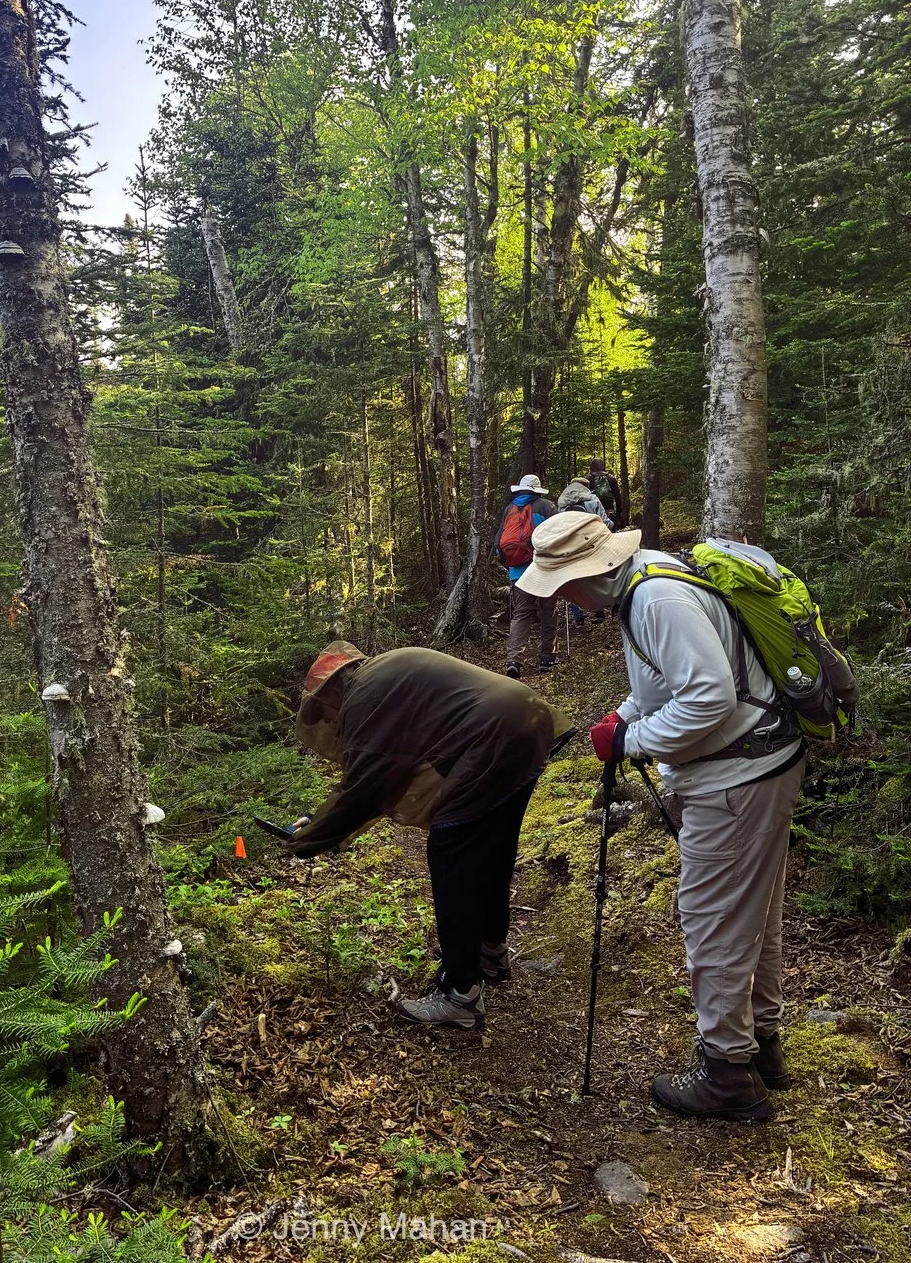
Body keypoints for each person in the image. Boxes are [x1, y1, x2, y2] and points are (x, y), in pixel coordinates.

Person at [517, 515, 806, 1122]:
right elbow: (664, 686)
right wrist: (623, 719)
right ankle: (764, 1048)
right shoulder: (645, 583)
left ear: (588, 572)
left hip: (736, 777)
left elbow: (708, 699)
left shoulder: (657, 598)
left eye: (562, 583)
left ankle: (728, 1072)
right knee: (756, 911)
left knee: (713, 918)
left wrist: (630, 742)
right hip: (759, 766)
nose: (562, 595)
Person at [290, 642, 570, 1030]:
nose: (331, 720)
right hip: (527, 721)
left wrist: (311, 838)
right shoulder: (387, 673)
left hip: (493, 736)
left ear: (334, 689)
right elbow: (386, 783)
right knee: (492, 846)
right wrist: (323, 826)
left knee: (451, 853)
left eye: (326, 711)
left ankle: (461, 994)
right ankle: (490, 951)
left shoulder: (365, 697)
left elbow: (364, 786)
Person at [494, 473, 558, 679]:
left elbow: (498, 545)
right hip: (545, 567)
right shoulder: (548, 507)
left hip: (518, 571)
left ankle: (514, 660)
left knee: (521, 613)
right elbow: (557, 536)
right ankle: (547, 657)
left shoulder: (509, 509)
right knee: (548, 610)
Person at [557, 473, 613, 625]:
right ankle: (598, 611)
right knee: (594, 574)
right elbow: (605, 523)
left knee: (573, 578)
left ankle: (578, 617)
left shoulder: (562, 504)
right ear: (587, 486)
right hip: (591, 545)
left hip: (570, 547)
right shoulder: (593, 500)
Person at [588, 456, 625, 530]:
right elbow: (618, 498)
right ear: (603, 466)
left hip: (593, 515)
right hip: (609, 513)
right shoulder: (611, 478)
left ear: (592, 467)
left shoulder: (588, 479)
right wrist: (618, 516)